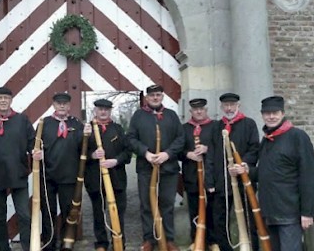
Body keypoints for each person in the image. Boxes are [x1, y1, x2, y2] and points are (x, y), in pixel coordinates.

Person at [229, 95, 314, 251]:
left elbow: (309, 176)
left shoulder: (297, 137)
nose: (271, 117)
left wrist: (307, 213)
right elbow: (265, 173)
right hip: (270, 212)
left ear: (282, 114)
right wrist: (247, 170)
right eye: (267, 113)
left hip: (290, 213)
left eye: (275, 113)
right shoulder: (267, 140)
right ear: (262, 115)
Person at [126, 84, 185, 251]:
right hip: (146, 167)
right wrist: (145, 153)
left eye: (158, 95)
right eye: (152, 95)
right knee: (146, 204)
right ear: (146, 98)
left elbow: (180, 139)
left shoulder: (172, 115)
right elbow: (130, 139)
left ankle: (168, 239)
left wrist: (168, 154)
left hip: (169, 168)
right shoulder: (138, 116)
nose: (155, 98)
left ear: (162, 96)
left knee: (167, 203)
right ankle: (149, 240)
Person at [31, 92, 91, 251]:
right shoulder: (44, 123)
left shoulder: (77, 124)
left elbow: (83, 148)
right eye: (59, 103)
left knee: (67, 211)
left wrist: (87, 136)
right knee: (48, 212)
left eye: (65, 103)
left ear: (69, 105)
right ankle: (49, 242)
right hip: (47, 176)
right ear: (54, 105)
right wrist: (36, 152)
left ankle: (66, 243)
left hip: (70, 176)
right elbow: (35, 145)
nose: (62, 106)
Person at [0, 87, 35, 251]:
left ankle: (28, 246)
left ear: (11, 100)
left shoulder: (23, 120)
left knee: (24, 214)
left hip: (18, 173)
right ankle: (3, 247)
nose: (3, 100)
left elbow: (32, 143)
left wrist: (35, 151)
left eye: (6, 98)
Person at [205, 93, 260, 251]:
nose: (229, 108)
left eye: (232, 105)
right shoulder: (216, 127)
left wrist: (242, 165)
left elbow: (254, 148)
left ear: (238, 105)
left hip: (243, 180)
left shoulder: (249, 124)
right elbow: (210, 155)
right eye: (226, 105)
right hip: (221, 182)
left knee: (250, 219)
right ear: (221, 107)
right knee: (219, 220)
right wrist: (210, 181)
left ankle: (252, 248)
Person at [85, 99, 132, 251]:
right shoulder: (87, 129)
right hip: (95, 179)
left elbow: (127, 153)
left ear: (110, 111)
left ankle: (118, 242)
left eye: (106, 109)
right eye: (100, 109)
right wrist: (92, 154)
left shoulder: (118, 129)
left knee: (118, 213)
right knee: (98, 214)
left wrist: (115, 161)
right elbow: (78, 152)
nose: (103, 112)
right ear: (95, 111)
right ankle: (101, 243)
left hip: (116, 178)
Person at [178, 98, 219, 251]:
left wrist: (207, 149)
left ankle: (213, 241)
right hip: (191, 176)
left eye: (201, 109)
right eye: (196, 109)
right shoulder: (184, 128)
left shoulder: (215, 126)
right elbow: (178, 150)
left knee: (213, 210)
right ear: (191, 111)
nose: (199, 111)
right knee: (194, 210)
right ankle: (196, 240)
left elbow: (220, 147)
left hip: (212, 176)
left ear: (206, 110)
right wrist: (188, 154)